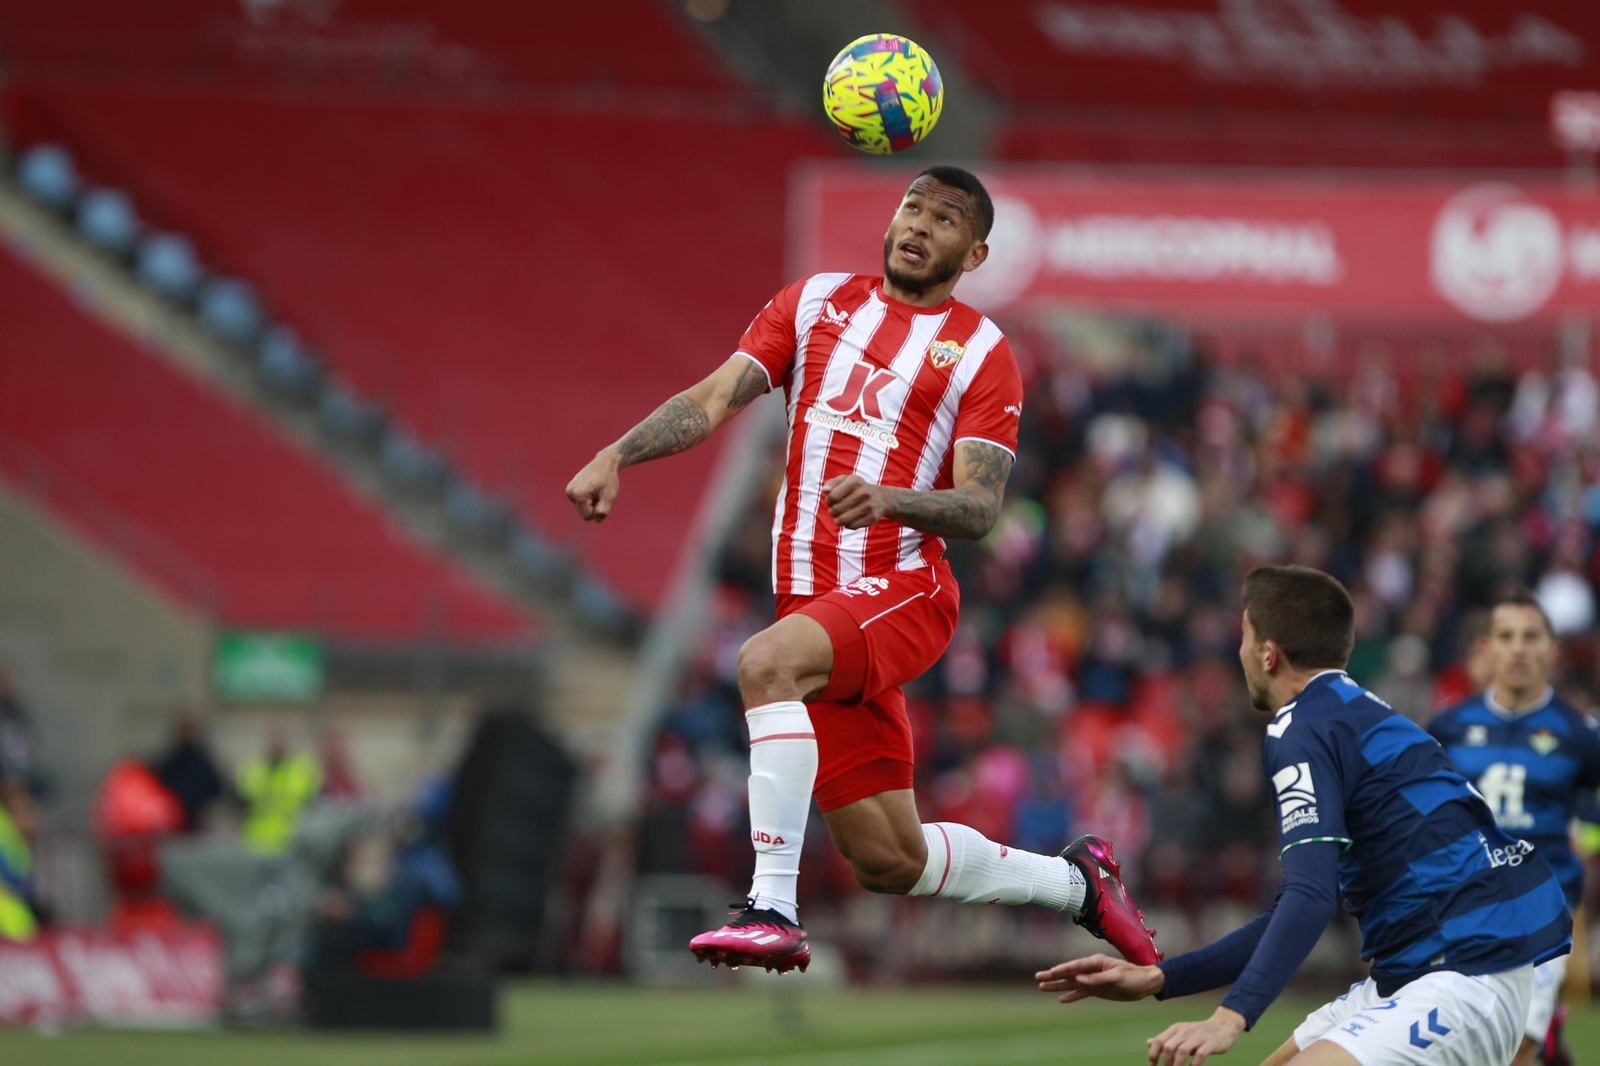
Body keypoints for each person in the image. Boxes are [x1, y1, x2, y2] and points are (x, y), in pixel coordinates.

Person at [566, 165, 1159, 974]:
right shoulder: (813, 304)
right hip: (816, 608)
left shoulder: (982, 351)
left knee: (765, 663)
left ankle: (771, 907)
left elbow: (980, 506)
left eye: (945, 219)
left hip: (905, 589)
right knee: (888, 858)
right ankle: (1077, 884)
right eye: (912, 207)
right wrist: (616, 454)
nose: (919, 225)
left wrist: (890, 498)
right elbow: (709, 400)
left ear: (975, 254)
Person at [1036, 565, 1572, 1066]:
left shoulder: (1301, 728)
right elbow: (1293, 908)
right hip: (1419, 971)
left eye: (1244, 637)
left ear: (1269, 654)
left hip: (1466, 970)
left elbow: (1310, 897)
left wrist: (1231, 1017)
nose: (1240, 652)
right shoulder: (1348, 712)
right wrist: (1161, 978)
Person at [1430, 590, 1600, 1066]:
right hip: (1465, 905)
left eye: (1531, 636)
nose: (1518, 648)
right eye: (1506, 637)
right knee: (1460, 1042)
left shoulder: (1579, 734)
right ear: (1486, 649)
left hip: (1544, 906)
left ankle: (1539, 1034)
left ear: (1552, 649)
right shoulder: (1449, 727)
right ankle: (1551, 1036)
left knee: (1515, 1044)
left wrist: (1589, 833)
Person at [236, 727, 322, 855]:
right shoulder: (253, 771)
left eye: (281, 739)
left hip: (292, 842)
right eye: (274, 739)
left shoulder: (301, 772)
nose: (277, 744)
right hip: (256, 842)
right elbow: (238, 804)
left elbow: (314, 805)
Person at [153, 710, 226, 832]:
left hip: (197, 825)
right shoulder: (169, 763)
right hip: (172, 825)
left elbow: (217, 789)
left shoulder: (204, 762)